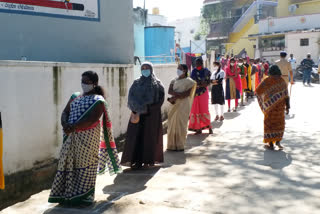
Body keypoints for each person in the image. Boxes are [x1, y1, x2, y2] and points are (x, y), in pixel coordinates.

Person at [48, 71, 122, 206]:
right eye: (83, 81)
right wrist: (65, 124)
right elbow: (65, 112)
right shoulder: (75, 96)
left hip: (88, 138)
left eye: (87, 82)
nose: (84, 84)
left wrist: (74, 127)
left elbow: (92, 119)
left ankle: (85, 196)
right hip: (70, 136)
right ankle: (66, 195)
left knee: (86, 165)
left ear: (94, 84)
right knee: (68, 163)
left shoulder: (98, 101)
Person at [121, 62, 165, 169]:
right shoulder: (136, 83)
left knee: (149, 138)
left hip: (151, 116)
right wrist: (136, 109)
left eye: (147, 68)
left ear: (151, 69)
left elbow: (160, 100)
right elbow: (131, 98)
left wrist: (148, 109)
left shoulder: (157, 84)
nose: (145, 70)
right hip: (137, 114)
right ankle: (135, 161)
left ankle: (148, 160)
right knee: (136, 137)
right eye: (143, 68)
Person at [256, 65, 290, 150]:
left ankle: (270, 143)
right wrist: (288, 107)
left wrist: (265, 100)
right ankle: (278, 142)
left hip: (269, 108)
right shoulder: (282, 81)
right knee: (279, 124)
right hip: (280, 108)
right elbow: (286, 95)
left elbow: (257, 91)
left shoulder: (267, 81)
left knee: (269, 124)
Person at [167, 64, 197, 151]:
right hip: (173, 104)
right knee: (172, 123)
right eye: (177, 68)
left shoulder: (190, 81)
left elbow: (187, 94)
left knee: (181, 124)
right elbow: (169, 91)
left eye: (180, 69)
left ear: (184, 70)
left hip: (183, 104)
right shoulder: (173, 80)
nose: (178, 70)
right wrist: (177, 96)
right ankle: (171, 145)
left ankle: (180, 145)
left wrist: (176, 96)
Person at [189, 58, 213, 135]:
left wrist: (199, 84)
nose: (197, 65)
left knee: (204, 109)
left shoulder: (206, 71)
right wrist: (200, 83)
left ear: (202, 63)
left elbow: (208, 83)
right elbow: (192, 81)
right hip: (195, 93)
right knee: (195, 110)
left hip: (203, 93)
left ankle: (209, 127)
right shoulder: (194, 71)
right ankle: (198, 128)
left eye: (198, 63)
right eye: (196, 63)